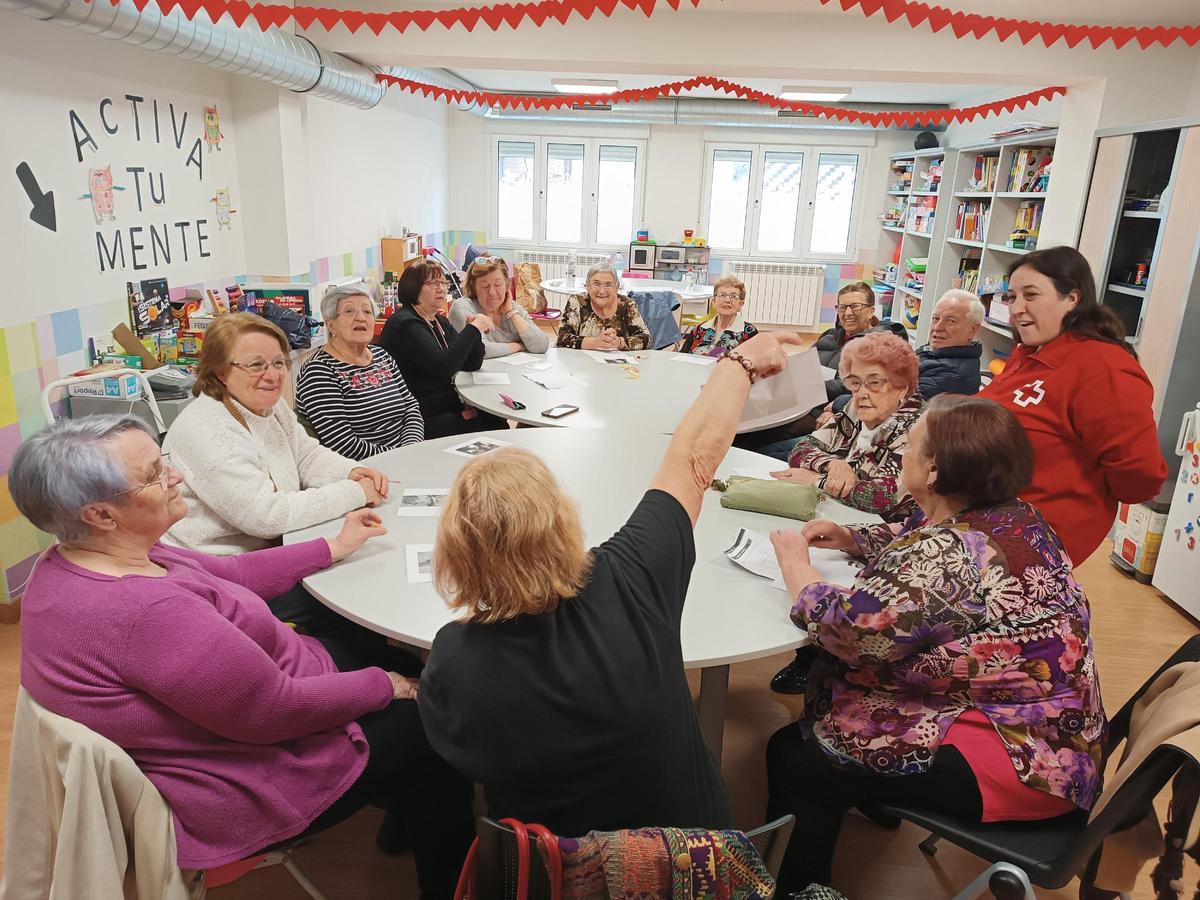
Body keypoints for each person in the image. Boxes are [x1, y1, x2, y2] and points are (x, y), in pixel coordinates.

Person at [9, 415, 474, 897]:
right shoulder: (147, 613)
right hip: (237, 776)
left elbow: (231, 574)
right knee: (429, 727)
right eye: (155, 474)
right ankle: (447, 880)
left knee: (383, 657)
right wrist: (386, 684)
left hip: (254, 699)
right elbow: (273, 710)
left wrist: (334, 545)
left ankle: (406, 813)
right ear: (101, 515)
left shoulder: (81, 560)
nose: (177, 476)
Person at [418, 332, 803, 837]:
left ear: (455, 551)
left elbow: (462, 755)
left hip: (557, 868)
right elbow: (694, 459)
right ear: (562, 520)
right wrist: (741, 364)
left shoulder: (454, 659)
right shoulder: (630, 578)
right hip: (691, 857)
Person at [764, 395, 1105, 894]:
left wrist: (796, 566)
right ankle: (867, 800)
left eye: (911, 445)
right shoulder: (1017, 516)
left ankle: (800, 889)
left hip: (1028, 762)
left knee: (797, 757)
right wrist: (854, 538)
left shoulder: (949, 554)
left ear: (934, 469)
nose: (902, 452)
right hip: (1059, 731)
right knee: (830, 712)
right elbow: (921, 533)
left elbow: (851, 633)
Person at [979, 246, 1167, 565]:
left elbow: (1140, 476)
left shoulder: (1103, 367)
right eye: (1011, 297)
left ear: (1072, 298)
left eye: (1031, 295)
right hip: (985, 518)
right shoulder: (1031, 353)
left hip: (1028, 539)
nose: (1017, 308)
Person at [767, 331, 923, 695]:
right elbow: (802, 449)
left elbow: (885, 497)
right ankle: (813, 653)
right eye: (855, 382)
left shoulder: (916, 429)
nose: (862, 393)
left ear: (902, 387)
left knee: (811, 564)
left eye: (875, 382)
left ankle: (820, 662)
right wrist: (833, 466)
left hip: (897, 543)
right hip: (846, 523)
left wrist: (818, 479)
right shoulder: (856, 411)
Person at [164, 313, 387, 557]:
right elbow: (266, 517)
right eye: (255, 365)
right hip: (216, 565)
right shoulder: (208, 430)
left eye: (278, 363)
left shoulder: (267, 403)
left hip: (272, 545)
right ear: (220, 372)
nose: (272, 376)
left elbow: (305, 455)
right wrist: (354, 492)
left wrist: (350, 472)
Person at [377, 259, 509, 439]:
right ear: (413, 287)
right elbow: (443, 367)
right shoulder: (405, 323)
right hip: (417, 414)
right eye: (433, 283)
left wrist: (475, 333)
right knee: (493, 428)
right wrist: (473, 328)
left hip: (447, 403)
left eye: (443, 282)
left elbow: (472, 364)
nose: (441, 289)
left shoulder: (438, 320)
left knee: (497, 418)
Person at [296, 284, 424, 460]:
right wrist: (397, 457)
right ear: (331, 325)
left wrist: (411, 448)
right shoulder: (319, 371)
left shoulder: (381, 355)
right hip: (364, 467)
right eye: (349, 311)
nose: (361, 318)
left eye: (367, 311)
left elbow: (411, 408)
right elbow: (342, 444)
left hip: (407, 456)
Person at [447, 256, 549, 358]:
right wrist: (519, 346)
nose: (492, 292)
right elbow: (480, 349)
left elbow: (541, 345)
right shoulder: (462, 308)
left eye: (497, 284)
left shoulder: (514, 307)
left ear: (507, 285)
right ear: (474, 287)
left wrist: (511, 312)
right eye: (485, 286)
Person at [555, 262, 651, 351]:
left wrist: (619, 342)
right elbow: (562, 338)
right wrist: (597, 342)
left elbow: (646, 339)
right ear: (587, 286)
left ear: (616, 287)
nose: (602, 291)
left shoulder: (627, 304)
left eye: (608, 285)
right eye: (596, 284)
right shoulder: (577, 302)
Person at [916, 289, 984, 399]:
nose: (937, 327)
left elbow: (898, 401)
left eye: (951, 321)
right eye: (936, 318)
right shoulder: (938, 351)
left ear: (972, 330)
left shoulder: (953, 376)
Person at [676, 275, 758, 357]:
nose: (727, 300)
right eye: (722, 295)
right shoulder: (698, 330)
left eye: (733, 296)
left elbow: (756, 362)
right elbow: (682, 357)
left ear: (741, 304)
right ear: (714, 301)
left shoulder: (749, 333)